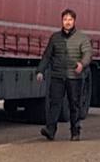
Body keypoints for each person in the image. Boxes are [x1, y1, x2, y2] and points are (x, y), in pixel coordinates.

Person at [37, 9, 92, 141]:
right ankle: (50, 130)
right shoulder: (55, 38)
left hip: (74, 77)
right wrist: (40, 71)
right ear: (62, 21)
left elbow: (88, 54)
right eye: (65, 20)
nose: (67, 22)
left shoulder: (82, 38)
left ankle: (75, 131)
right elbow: (47, 55)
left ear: (74, 21)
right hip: (57, 76)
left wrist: (82, 64)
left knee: (74, 104)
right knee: (54, 103)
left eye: (70, 20)